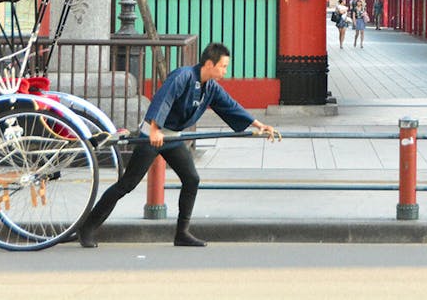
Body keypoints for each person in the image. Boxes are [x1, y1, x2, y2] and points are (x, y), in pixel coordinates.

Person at [76, 42, 279, 248]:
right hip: (152, 135)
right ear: (209, 63)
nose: (225, 71)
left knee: (191, 179)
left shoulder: (211, 87)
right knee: (128, 184)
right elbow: (164, 99)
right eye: (223, 66)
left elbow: (230, 106)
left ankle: (182, 233)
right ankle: (88, 228)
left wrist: (259, 125)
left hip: (173, 138)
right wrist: (155, 128)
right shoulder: (183, 76)